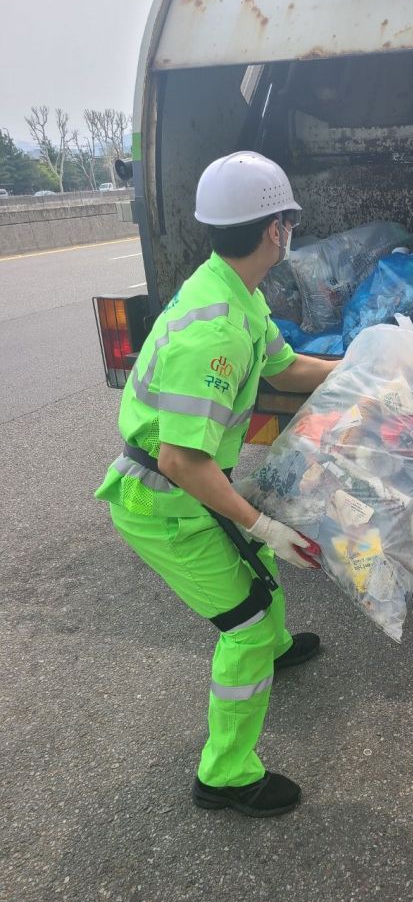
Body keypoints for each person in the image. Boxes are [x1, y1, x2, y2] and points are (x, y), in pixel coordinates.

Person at [95, 151, 337, 818]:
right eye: (287, 219)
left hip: (189, 484)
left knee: (260, 561)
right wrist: (264, 522)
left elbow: (284, 368)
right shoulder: (216, 332)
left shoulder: (235, 292)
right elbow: (180, 460)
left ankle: (276, 649)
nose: (289, 230)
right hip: (164, 500)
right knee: (248, 620)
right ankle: (225, 774)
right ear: (272, 231)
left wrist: (354, 369)